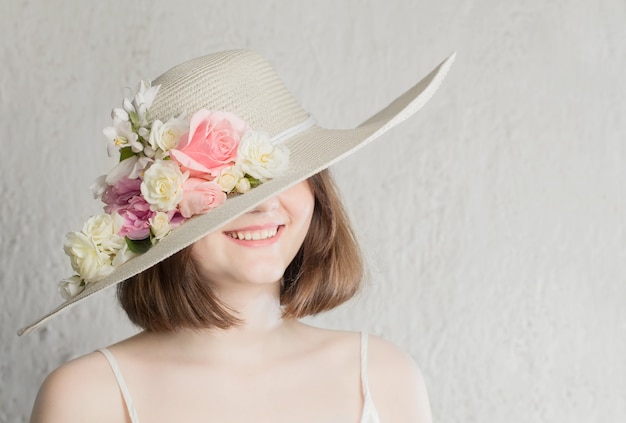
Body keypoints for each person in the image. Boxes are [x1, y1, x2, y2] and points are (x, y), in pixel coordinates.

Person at [21, 49, 454, 422]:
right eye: (227, 190)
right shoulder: (85, 399)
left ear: (316, 190)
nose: (264, 206)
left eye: (284, 176)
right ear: (157, 213)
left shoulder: (382, 376)